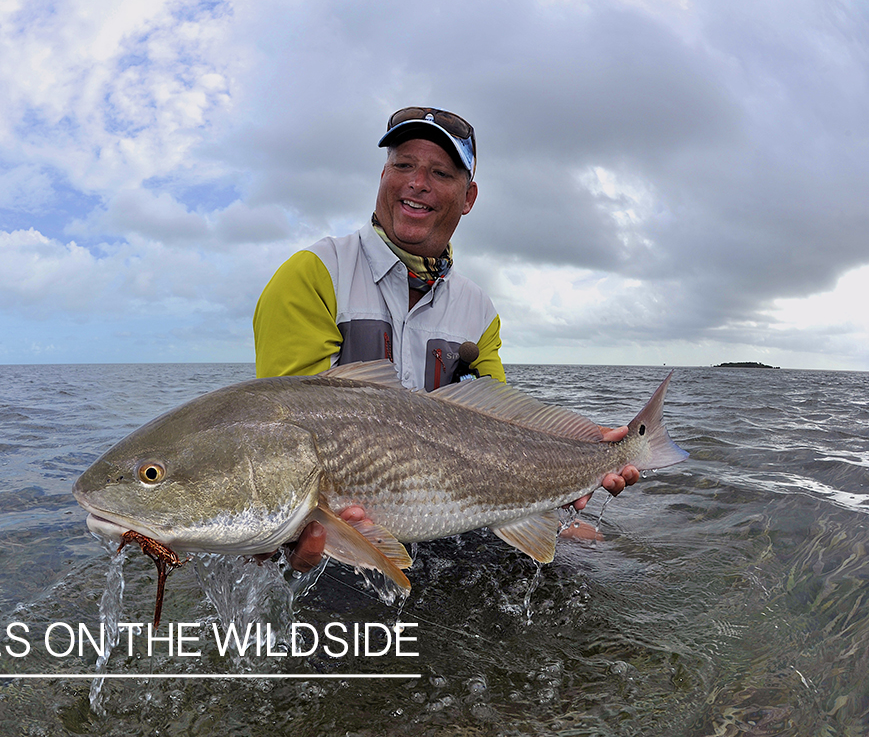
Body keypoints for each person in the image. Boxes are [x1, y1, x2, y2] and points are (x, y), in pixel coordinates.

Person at [252, 106, 638, 571]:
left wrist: (589, 447)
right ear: (383, 174)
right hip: (343, 519)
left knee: (586, 542)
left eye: (440, 171)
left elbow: (502, 422)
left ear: (469, 196)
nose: (417, 182)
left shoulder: (479, 309)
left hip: (452, 511)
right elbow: (285, 435)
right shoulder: (311, 275)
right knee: (295, 561)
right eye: (403, 165)